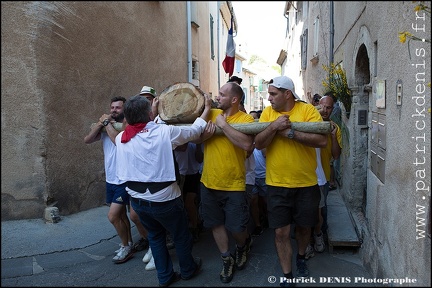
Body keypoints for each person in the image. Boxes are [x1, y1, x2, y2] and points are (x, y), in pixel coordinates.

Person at [115, 94, 212, 287]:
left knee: (155, 236)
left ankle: (165, 276)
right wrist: (207, 109)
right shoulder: (163, 132)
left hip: (138, 200)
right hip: (165, 198)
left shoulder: (121, 137)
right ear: (149, 114)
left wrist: (153, 110)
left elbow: (142, 129)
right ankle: (188, 269)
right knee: (180, 234)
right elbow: (194, 131)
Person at [254, 76, 327, 285]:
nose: (269, 98)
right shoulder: (269, 114)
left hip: (306, 184)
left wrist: (291, 133)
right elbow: (259, 144)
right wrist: (274, 127)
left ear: (287, 94)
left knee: (304, 228)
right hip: (276, 184)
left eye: (273, 94)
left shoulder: (307, 111)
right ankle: (287, 275)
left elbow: (322, 140)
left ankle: (301, 256)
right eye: (269, 94)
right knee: (280, 232)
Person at [198, 82, 255, 283]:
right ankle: (226, 258)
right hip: (208, 182)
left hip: (234, 185)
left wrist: (223, 126)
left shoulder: (246, 119)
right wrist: (203, 131)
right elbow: (195, 137)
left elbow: (247, 144)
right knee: (215, 224)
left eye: (222, 94)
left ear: (234, 99)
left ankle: (242, 245)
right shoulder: (211, 113)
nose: (217, 97)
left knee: (237, 227)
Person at [83, 96, 134, 264]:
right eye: (112, 107)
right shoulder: (106, 127)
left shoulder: (127, 126)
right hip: (111, 179)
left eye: (118, 108)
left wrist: (106, 124)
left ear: (124, 110)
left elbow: (118, 142)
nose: (114, 110)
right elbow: (87, 140)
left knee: (112, 216)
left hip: (123, 179)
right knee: (121, 216)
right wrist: (101, 123)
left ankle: (125, 247)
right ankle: (129, 243)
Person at [317, 95, 342, 237]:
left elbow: (336, 155)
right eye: (323, 107)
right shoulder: (310, 123)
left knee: (322, 208)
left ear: (333, 109)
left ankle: (321, 234)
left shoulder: (335, 128)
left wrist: (332, 136)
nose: (325, 110)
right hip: (307, 174)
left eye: (328, 107)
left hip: (324, 175)